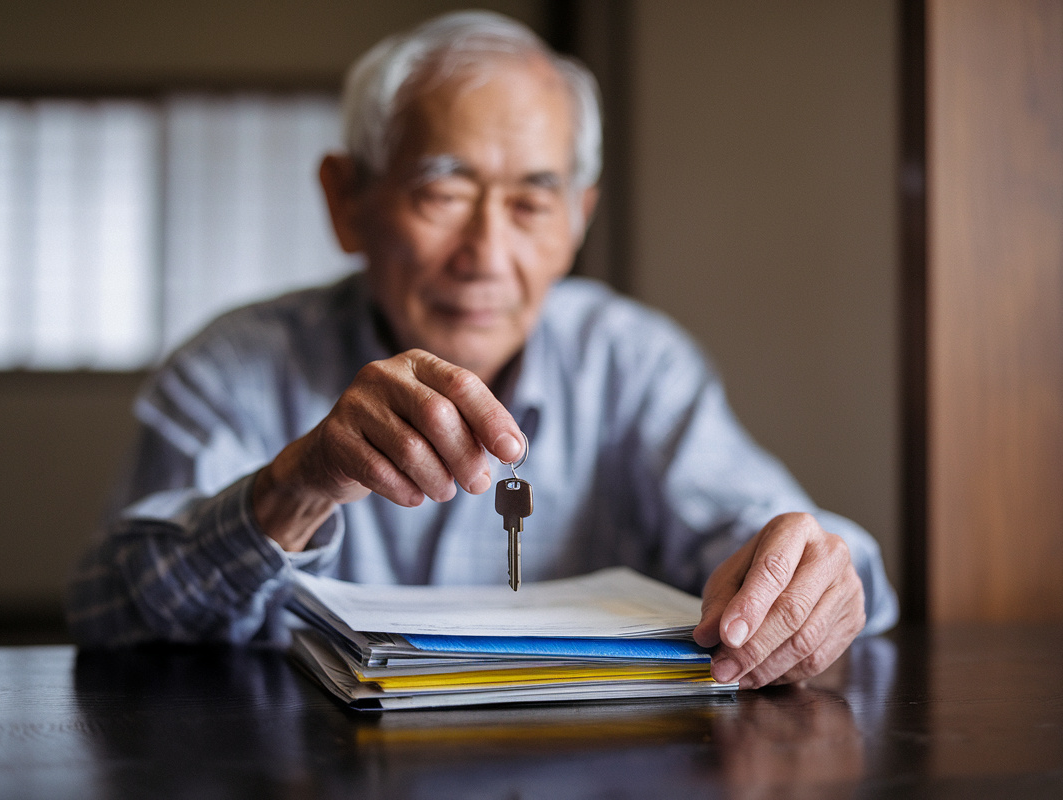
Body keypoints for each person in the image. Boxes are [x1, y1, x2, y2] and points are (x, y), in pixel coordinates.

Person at [66, 10, 897, 690]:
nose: (486, 253)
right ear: (346, 200)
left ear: (578, 219)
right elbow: (108, 611)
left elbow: (771, 528)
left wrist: (811, 566)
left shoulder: (633, 362)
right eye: (443, 192)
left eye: (533, 204)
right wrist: (296, 484)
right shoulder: (233, 367)